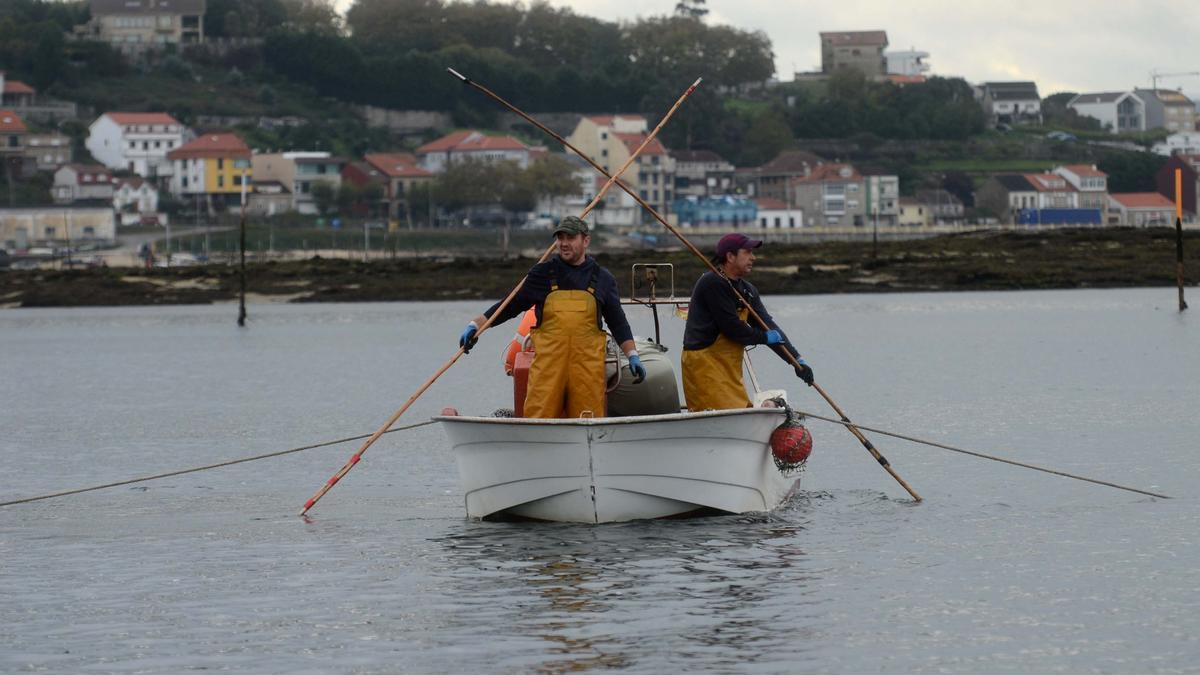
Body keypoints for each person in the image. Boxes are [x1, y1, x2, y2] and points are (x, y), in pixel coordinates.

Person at [457, 216, 647, 418]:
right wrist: (476, 326)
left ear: (586, 241)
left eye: (570, 238)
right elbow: (508, 307)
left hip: (587, 374)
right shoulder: (542, 273)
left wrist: (633, 356)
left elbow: (618, 323)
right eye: (560, 238)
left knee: (589, 419)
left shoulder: (603, 279)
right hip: (547, 373)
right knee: (538, 420)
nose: (564, 243)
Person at [681, 233, 814, 411]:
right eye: (748, 252)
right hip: (704, 366)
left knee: (738, 409)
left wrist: (796, 360)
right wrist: (764, 338)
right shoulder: (712, 283)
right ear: (730, 256)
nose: (753, 257)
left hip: (728, 368)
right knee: (723, 413)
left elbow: (768, 325)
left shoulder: (748, 290)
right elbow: (733, 329)